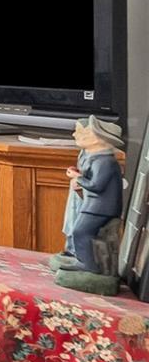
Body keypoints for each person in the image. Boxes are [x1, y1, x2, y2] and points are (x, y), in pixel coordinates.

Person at [59, 115, 125, 277]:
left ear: (98, 140)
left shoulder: (104, 161)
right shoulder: (96, 158)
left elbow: (96, 185)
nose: (75, 135)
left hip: (101, 208)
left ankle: (90, 266)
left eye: (85, 134)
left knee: (81, 232)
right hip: (94, 206)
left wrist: (78, 178)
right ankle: (84, 262)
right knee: (78, 231)